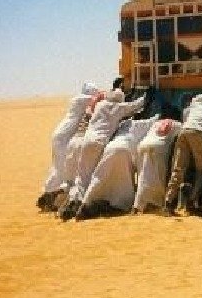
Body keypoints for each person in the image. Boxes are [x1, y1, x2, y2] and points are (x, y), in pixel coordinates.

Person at [59, 89, 146, 220]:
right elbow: (136, 105)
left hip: (86, 141)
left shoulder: (100, 105)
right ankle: (85, 204)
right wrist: (146, 95)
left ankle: (71, 202)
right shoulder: (118, 107)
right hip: (99, 143)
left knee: (82, 177)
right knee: (94, 176)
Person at [77, 114, 159, 219]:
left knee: (101, 177)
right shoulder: (142, 122)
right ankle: (116, 205)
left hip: (113, 148)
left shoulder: (123, 124)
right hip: (125, 146)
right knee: (122, 181)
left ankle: (90, 203)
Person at [36, 82, 100, 211]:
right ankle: (50, 197)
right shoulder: (83, 99)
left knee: (58, 167)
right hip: (63, 137)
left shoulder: (77, 99)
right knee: (62, 168)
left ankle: (50, 195)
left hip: (61, 135)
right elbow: (98, 98)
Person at [164, 93, 202, 214]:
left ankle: (168, 201)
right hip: (198, 131)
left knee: (178, 168)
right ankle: (193, 201)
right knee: (201, 170)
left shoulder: (195, 101)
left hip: (184, 131)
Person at [134, 117, 182, 213]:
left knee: (143, 177)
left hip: (142, 145)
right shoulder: (178, 124)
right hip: (159, 147)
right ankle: (155, 204)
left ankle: (138, 205)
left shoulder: (156, 123)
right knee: (158, 177)